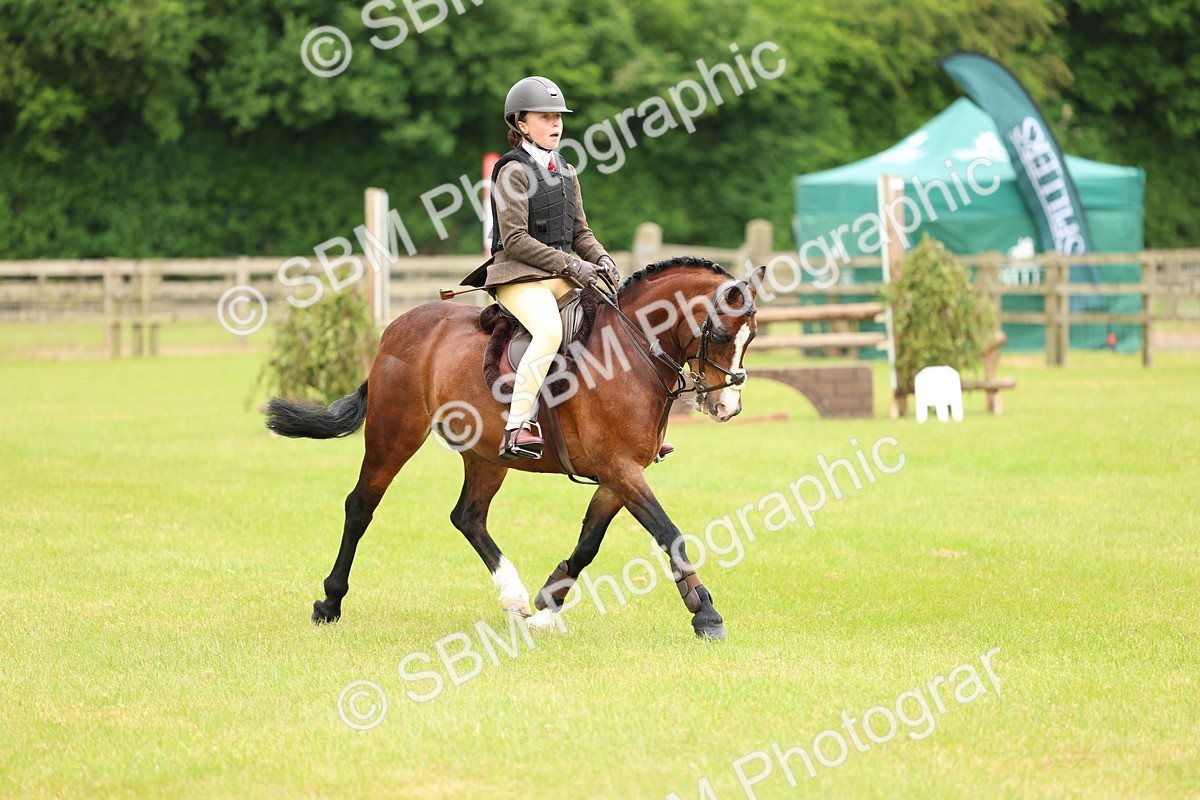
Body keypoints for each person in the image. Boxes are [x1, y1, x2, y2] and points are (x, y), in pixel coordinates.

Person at [468, 76, 621, 461]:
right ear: (521, 124)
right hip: (516, 276)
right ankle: (517, 425)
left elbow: (581, 232)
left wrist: (601, 259)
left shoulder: (567, 172)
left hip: (558, 275)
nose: (555, 124)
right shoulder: (513, 172)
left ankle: (622, 423)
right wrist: (572, 264)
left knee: (614, 317)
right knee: (550, 330)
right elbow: (516, 240)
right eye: (545, 117)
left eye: (558, 117)